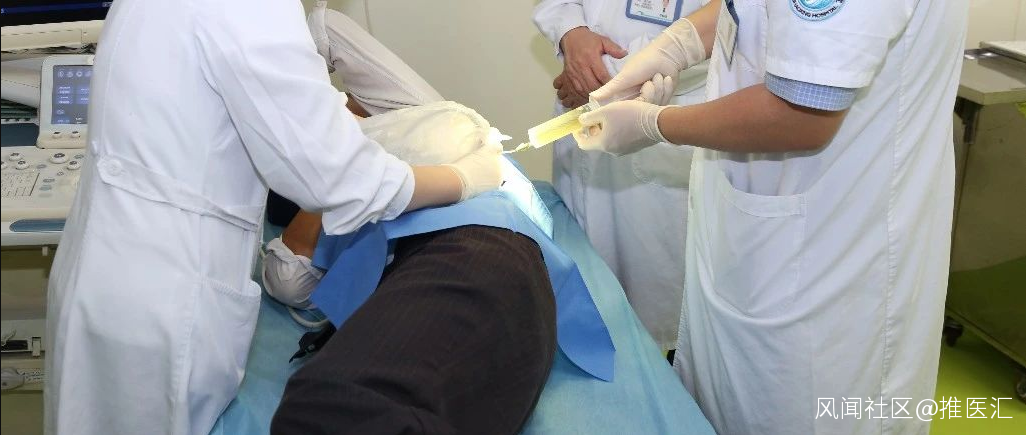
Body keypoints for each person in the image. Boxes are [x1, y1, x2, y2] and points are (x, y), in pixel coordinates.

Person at [43, 0, 503, 434]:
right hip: (161, 300)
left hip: (104, 268)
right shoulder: (252, 10)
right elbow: (337, 178)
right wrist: (463, 178)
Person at [577, 1, 968, 434]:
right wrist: (679, 43)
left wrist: (657, 124)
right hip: (769, 243)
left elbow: (803, 114)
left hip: (825, 274)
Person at [532, 0, 706, 352]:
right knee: (580, 299)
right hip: (582, 120)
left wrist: (595, 73)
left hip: (663, 115)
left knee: (658, 328)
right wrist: (571, 33)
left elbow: (724, 29)